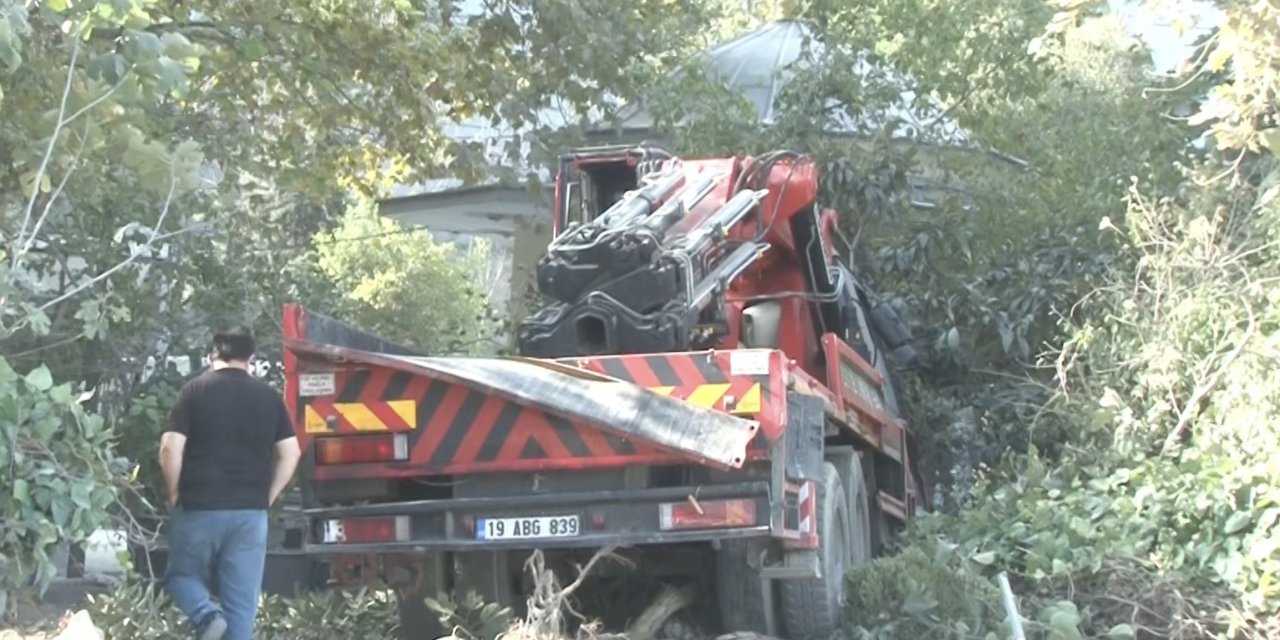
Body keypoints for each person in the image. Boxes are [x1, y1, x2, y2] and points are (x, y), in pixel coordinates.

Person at [158, 330, 302, 640]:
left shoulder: (194, 391)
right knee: (240, 608)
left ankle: (206, 614)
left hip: (198, 507)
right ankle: (221, 624)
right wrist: (269, 495)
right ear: (251, 360)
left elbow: (170, 448)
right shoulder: (269, 397)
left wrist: (173, 492)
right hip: (250, 514)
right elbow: (291, 453)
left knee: (181, 577)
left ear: (213, 356)